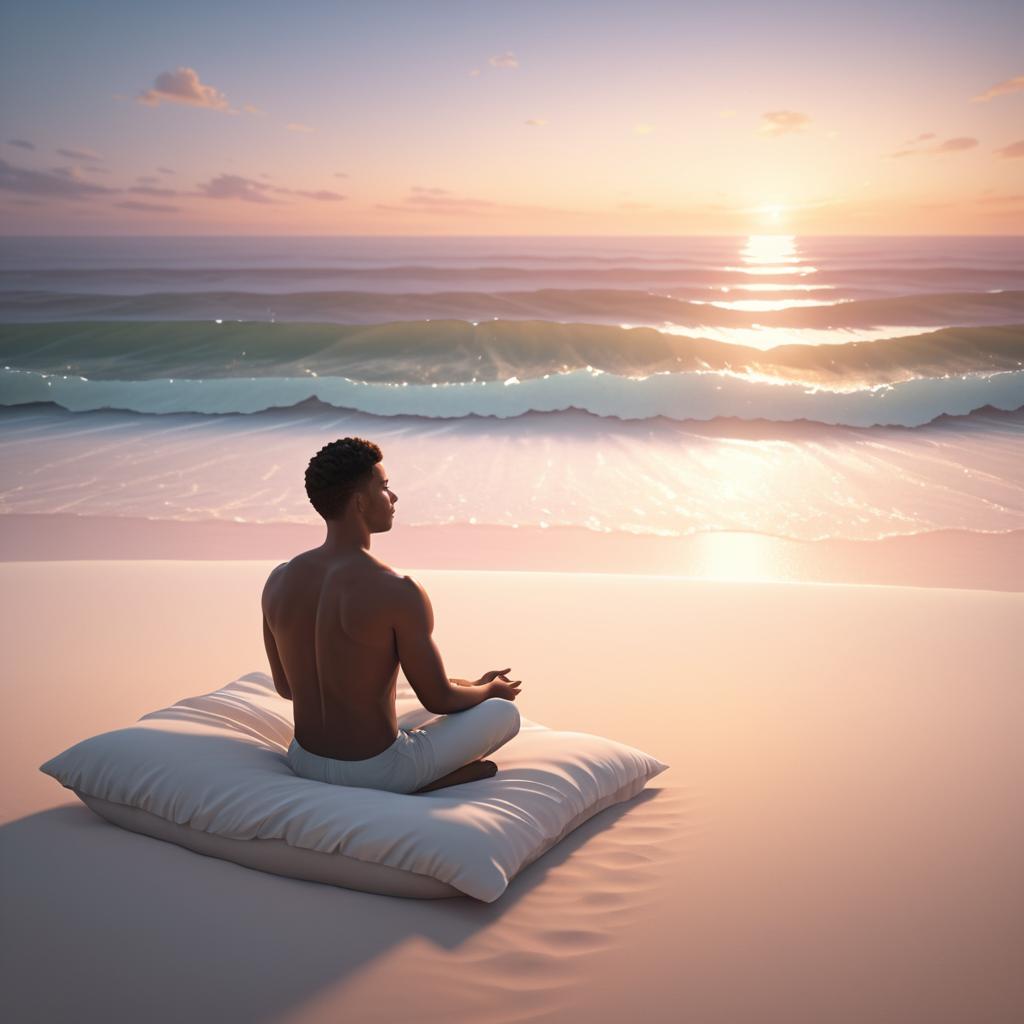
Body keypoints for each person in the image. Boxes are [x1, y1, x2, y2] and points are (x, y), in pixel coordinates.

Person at [262, 436, 522, 795]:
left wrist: (468, 686)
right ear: (359, 502)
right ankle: (421, 784)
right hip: (377, 771)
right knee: (502, 714)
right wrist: (490, 689)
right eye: (384, 487)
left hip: (303, 760)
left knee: (417, 700)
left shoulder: (278, 579)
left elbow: (287, 687)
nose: (393, 497)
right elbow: (439, 700)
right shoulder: (398, 589)